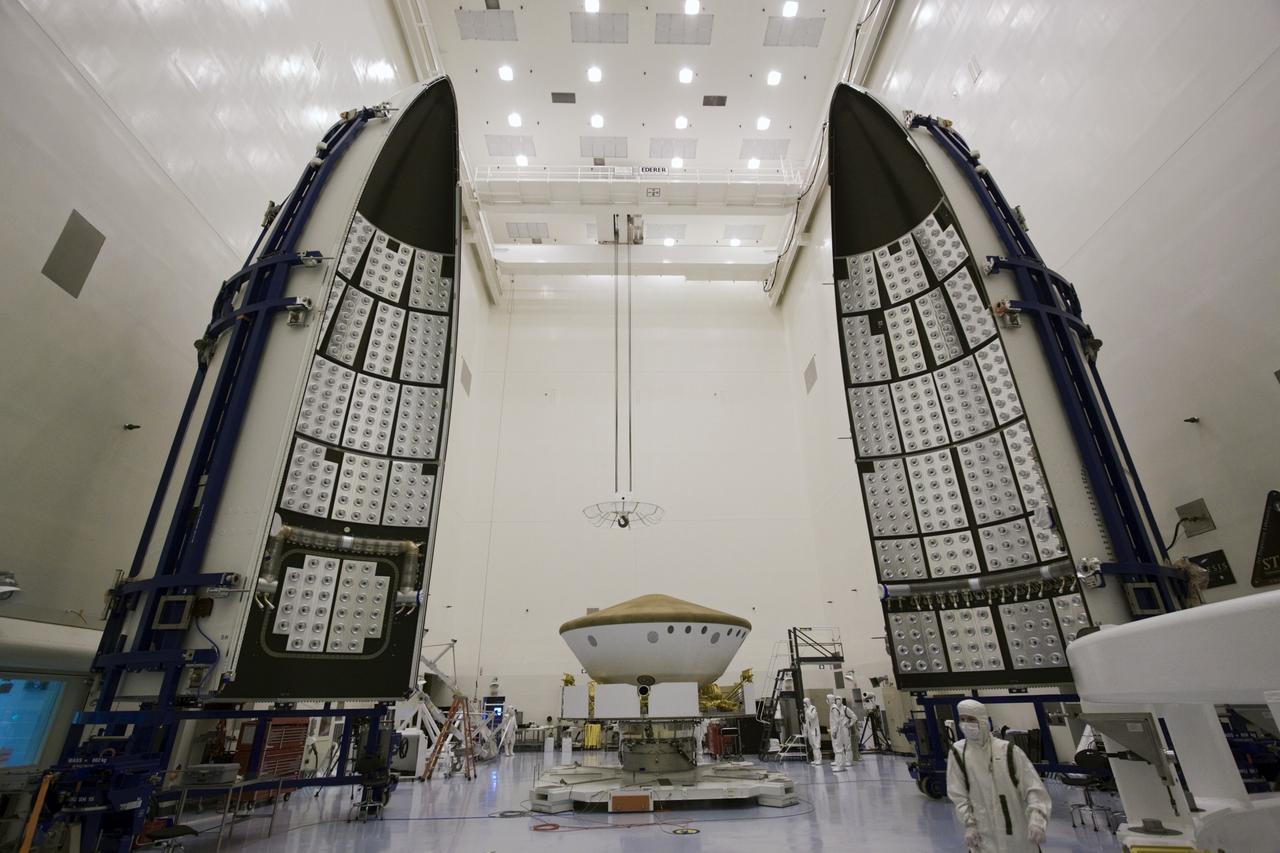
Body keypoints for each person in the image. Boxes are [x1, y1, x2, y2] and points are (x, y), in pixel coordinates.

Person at [947, 699, 1051, 853]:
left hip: (1018, 838)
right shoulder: (958, 753)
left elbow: (1034, 789)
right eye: (962, 719)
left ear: (982, 721)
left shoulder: (1007, 751)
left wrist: (1037, 820)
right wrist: (969, 824)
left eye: (971, 719)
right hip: (983, 839)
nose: (966, 724)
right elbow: (958, 794)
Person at [802, 697, 822, 766]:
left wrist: (807, 711)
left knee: (816, 745)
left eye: (805, 702)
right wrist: (805, 732)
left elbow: (812, 717)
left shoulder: (813, 708)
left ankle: (819, 759)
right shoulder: (806, 710)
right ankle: (816, 759)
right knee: (812, 745)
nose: (804, 704)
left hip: (814, 730)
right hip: (810, 730)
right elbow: (806, 722)